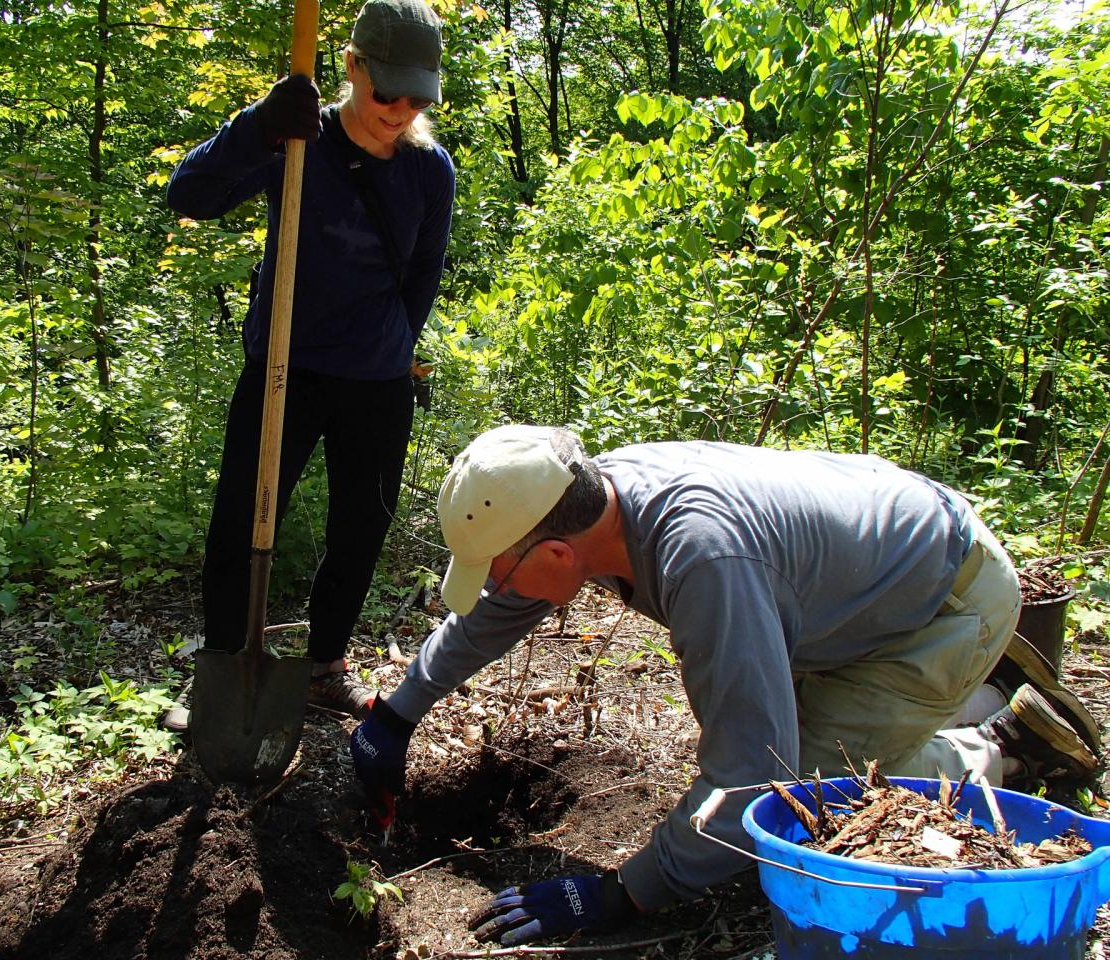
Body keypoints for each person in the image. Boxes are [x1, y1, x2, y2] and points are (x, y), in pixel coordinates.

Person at [350, 425, 1102, 946]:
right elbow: (500, 609)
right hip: (857, 578)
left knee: (807, 796)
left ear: (553, 549)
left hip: (940, 601)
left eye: (502, 569)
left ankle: (1000, 742)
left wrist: (626, 891)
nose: (501, 589)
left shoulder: (703, 561)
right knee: (790, 755)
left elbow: (752, 777)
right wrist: (399, 711)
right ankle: (951, 700)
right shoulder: (595, 500)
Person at [163, 0, 455, 726]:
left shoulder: (429, 170)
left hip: (377, 379)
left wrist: (389, 345)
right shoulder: (297, 138)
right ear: (353, 67)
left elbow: (422, 274)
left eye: (418, 95)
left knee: (362, 526)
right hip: (284, 370)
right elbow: (188, 195)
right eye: (387, 91)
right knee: (240, 522)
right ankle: (226, 663)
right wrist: (257, 127)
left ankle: (325, 666)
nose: (400, 109)